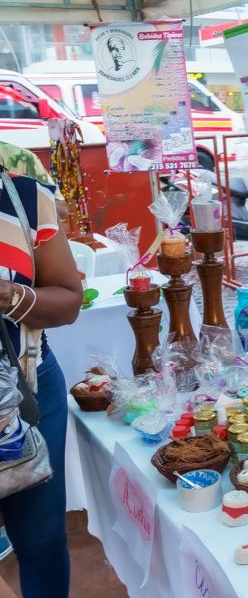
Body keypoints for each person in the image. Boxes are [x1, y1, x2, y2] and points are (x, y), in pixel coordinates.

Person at [0, 165, 83, 597]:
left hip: (28, 392)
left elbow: (69, 300)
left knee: (42, 540)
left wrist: (11, 295)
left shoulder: (24, 197)